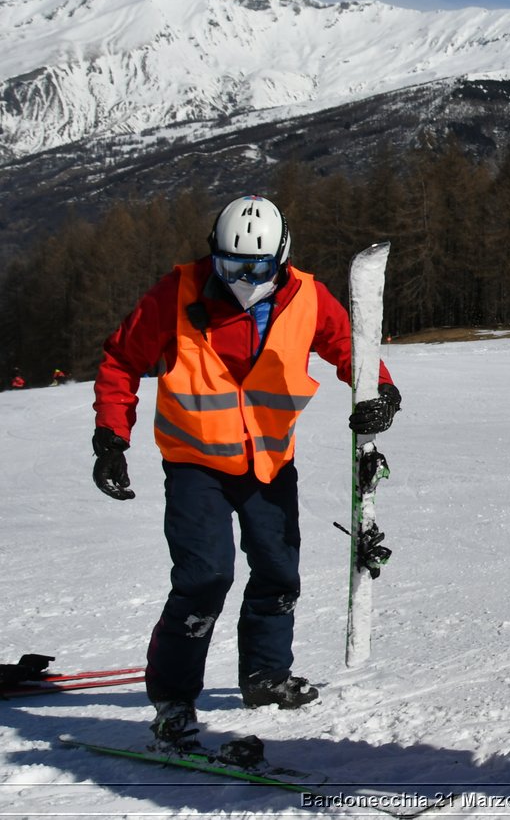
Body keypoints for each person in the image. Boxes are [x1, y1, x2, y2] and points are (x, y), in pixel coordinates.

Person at [91, 195, 402, 745]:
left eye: (258, 267)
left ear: (281, 258)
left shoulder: (307, 296)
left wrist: (382, 391)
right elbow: (122, 358)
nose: (244, 278)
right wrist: (112, 436)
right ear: (215, 255)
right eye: (232, 265)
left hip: (268, 462)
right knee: (204, 577)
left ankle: (264, 676)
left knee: (279, 574)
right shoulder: (179, 291)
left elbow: (350, 348)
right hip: (195, 465)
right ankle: (173, 700)